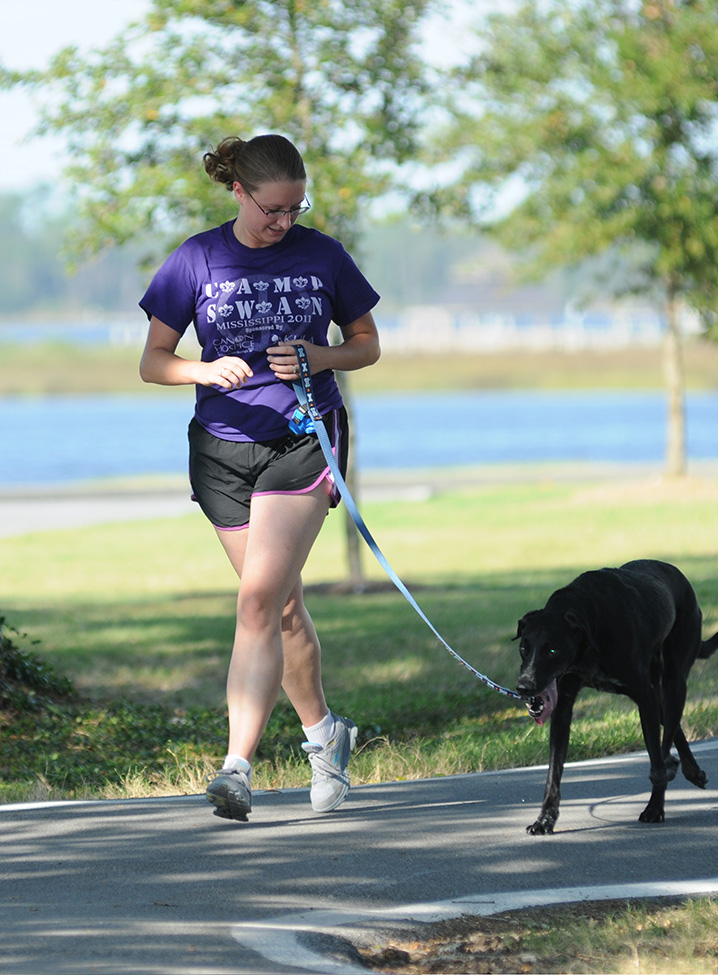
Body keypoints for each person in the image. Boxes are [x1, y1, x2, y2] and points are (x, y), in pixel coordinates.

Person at [139, 134, 381, 822]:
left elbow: (367, 343)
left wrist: (319, 354)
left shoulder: (322, 253)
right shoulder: (197, 258)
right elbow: (154, 360)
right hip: (220, 449)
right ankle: (324, 733)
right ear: (239, 192)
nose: (285, 222)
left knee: (255, 601)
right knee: (277, 607)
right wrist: (202, 369)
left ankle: (236, 767)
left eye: (296, 208)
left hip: (302, 439)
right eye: (274, 209)